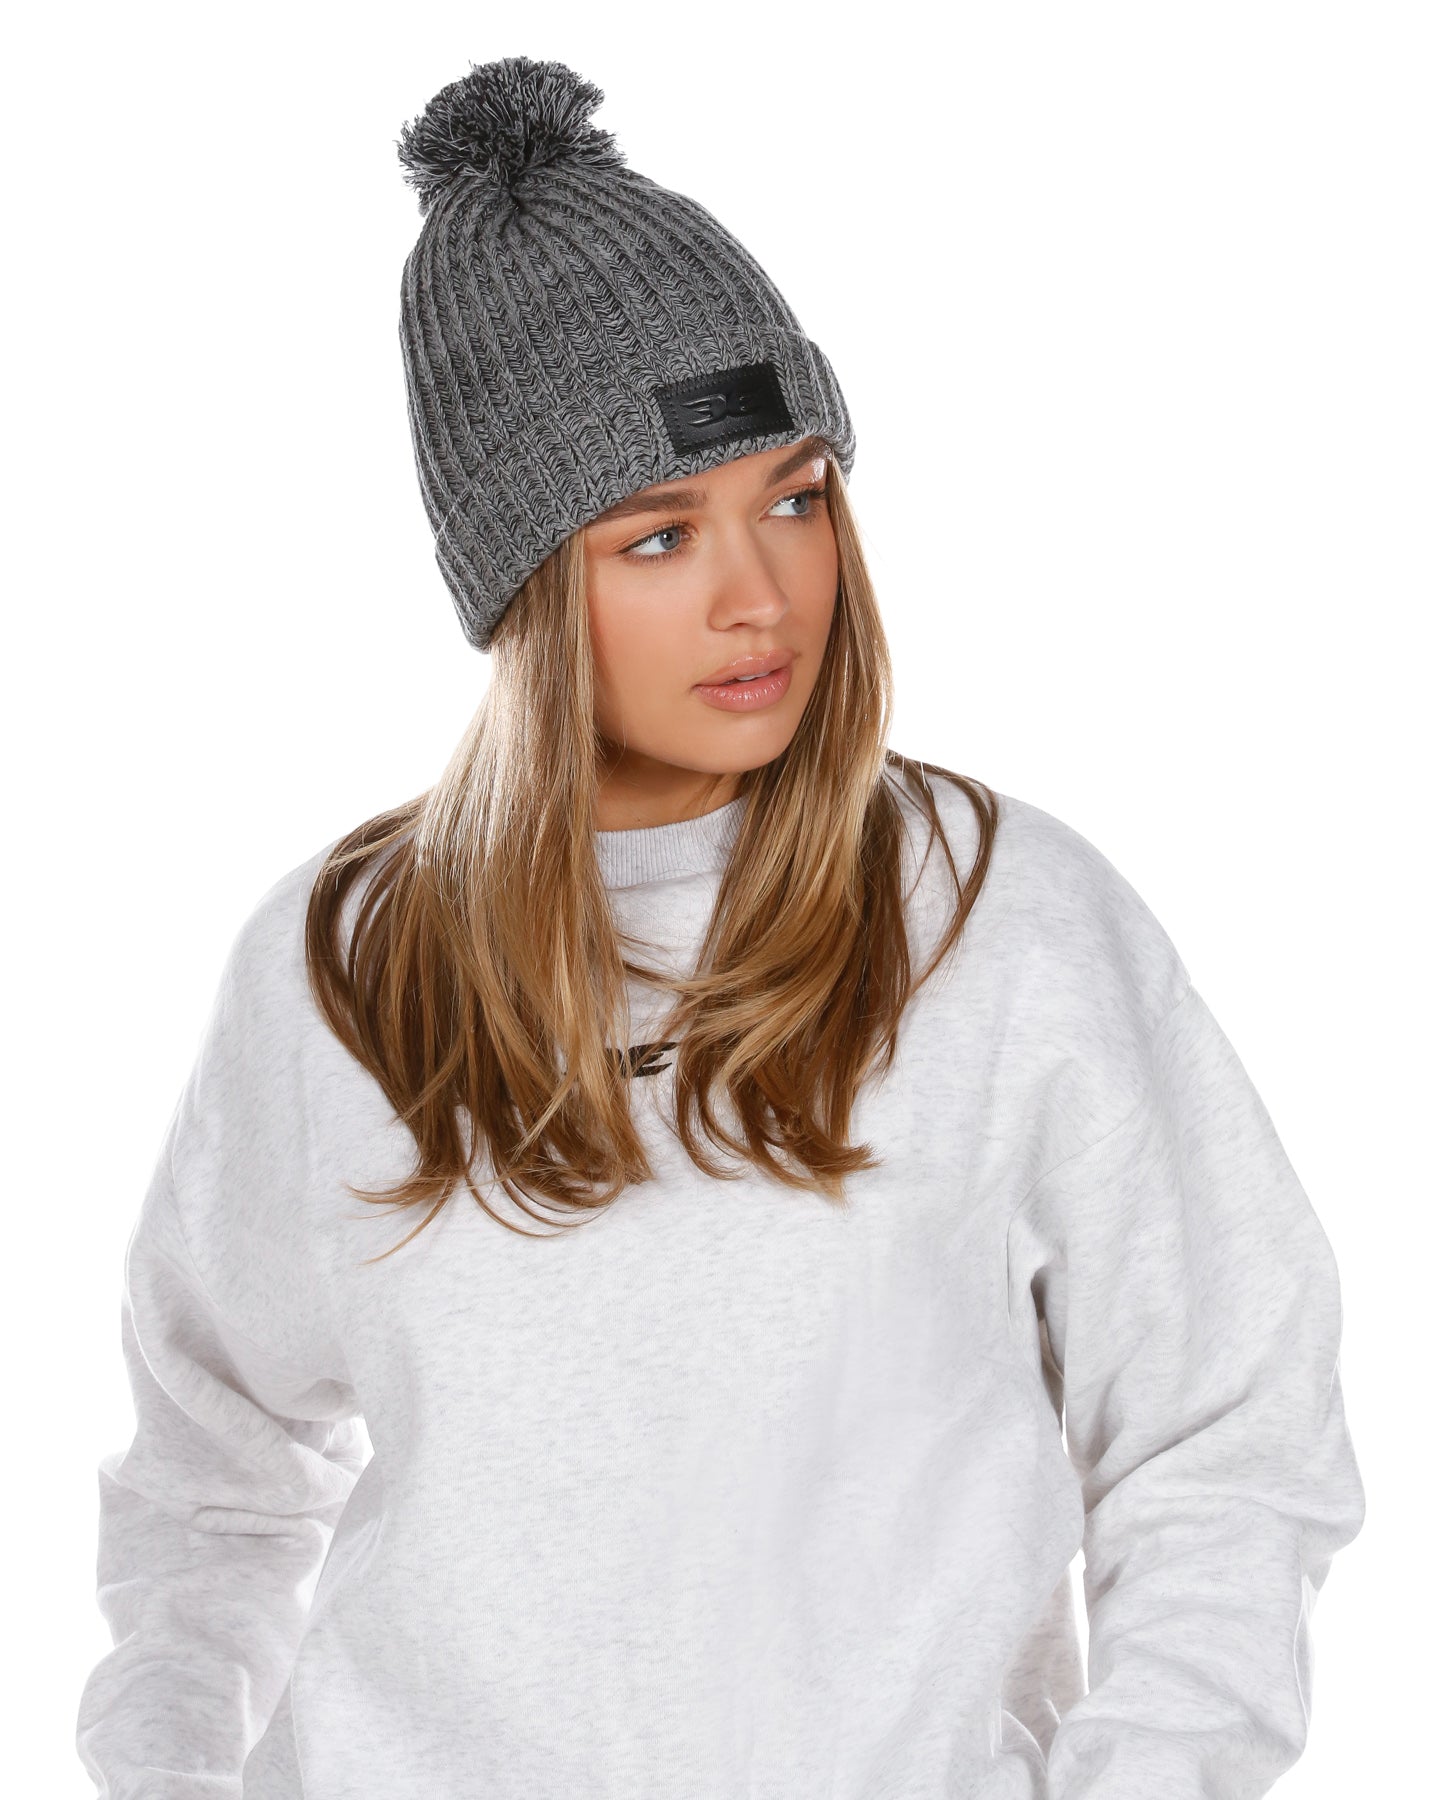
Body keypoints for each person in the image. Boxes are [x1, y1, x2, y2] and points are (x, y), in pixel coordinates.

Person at [75, 54, 1365, 1800]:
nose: (760, 595)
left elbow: (1227, 1435)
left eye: (798, 497)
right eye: (660, 534)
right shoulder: (344, 963)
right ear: (530, 585)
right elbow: (210, 1475)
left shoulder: (1002, 922)